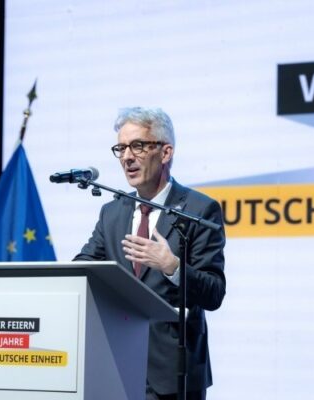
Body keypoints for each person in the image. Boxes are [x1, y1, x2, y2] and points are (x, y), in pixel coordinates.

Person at [74, 107, 226, 400]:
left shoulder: (199, 210)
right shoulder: (112, 212)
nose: (127, 157)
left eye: (138, 146)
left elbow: (214, 293)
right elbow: (84, 266)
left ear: (165, 152)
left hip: (174, 374)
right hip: (115, 364)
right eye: (121, 148)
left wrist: (172, 266)